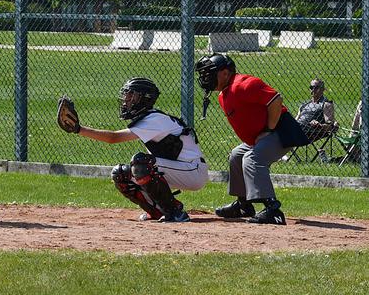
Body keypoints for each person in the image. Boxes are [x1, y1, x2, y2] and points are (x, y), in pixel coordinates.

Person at [67, 77, 207, 222]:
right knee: (121, 174)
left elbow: (113, 138)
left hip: (192, 171)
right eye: (126, 96)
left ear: (144, 99)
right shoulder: (148, 118)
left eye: (131, 96)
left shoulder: (155, 120)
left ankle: (175, 212)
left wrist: (79, 129)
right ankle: (157, 211)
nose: (126, 100)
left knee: (142, 163)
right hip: (178, 168)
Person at [194, 53, 301, 225]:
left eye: (210, 72)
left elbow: (275, 100)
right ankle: (244, 205)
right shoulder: (223, 94)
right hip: (264, 136)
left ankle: (272, 209)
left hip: (282, 131)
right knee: (237, 155)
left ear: (226, 73)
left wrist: (268, 129)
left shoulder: (244, 84)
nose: (205, 77)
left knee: (252, 158)